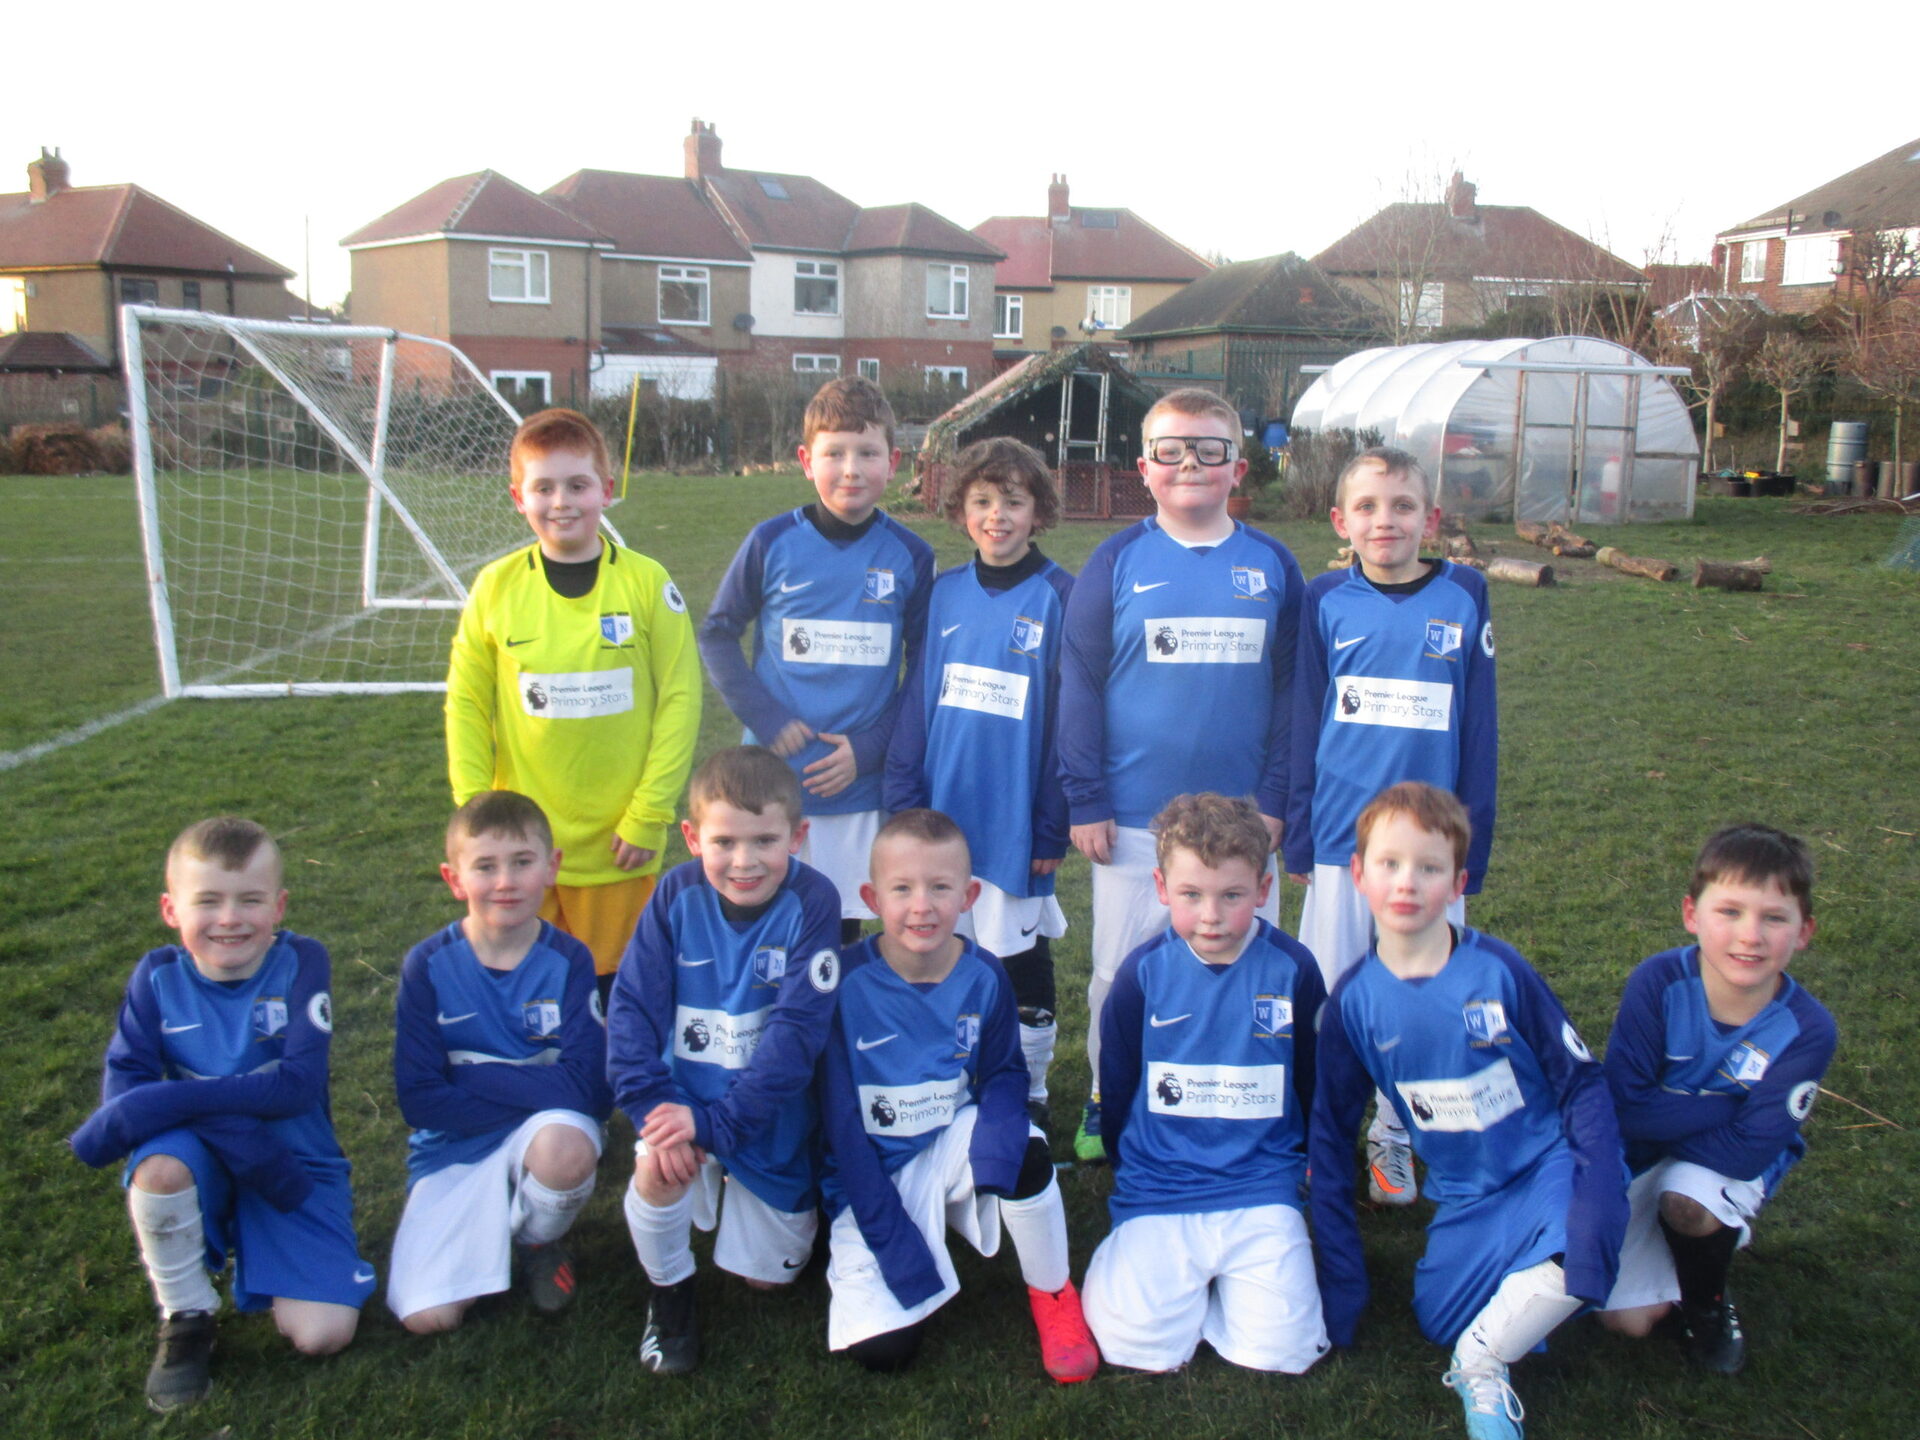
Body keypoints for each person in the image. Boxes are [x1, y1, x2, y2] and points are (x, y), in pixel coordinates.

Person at [1310, 783, 1626, 1440]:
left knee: (1577, 1244)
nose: (1407, 882)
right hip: (1468, 1197)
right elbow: (1329, 1136)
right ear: (1359, 873)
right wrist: (1342, 1285)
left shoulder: (1501, 971)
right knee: (1438, 1314)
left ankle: (1482, 1367)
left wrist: (1595, 1192)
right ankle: (1536, 1289)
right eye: (1390, 864)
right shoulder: (1353, 1003)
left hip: (1545, 1167)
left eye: (1429, 868)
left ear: (1457, 883)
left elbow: (1584, 1086)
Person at [1060, 386, 1304, 1162]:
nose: (1189, 463)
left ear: (1239, 467)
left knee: (1240, 968)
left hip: (1241, 824)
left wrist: (1274, 798)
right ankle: (1109, 1095)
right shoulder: (1116, 560)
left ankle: (1239, 1095)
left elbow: (1295, 691)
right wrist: (1087, 796)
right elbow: (1080, 681)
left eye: (1208, 448)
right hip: (1134, 817)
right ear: (1144, 467)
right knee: (1117, 973)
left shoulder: (1271, 565)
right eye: (1171, 450)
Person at [69, 818, 373, 1412]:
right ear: (171, 909)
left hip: (292, 1161)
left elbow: (294, 1088)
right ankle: (186, 1314)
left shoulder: (304, 962)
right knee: (158, 1169)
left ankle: (268, 1242)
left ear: (279, 906)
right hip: (202, 1156)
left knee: (321, 1335)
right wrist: (211, 1120)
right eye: (207, 901)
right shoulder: (155, 978)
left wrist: (168, 1101)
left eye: (250, 900)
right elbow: (122, 1093)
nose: (229, 919)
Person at [1286, 445, 1498, 1208]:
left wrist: (1477, 833)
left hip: (1431, 851)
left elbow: (1479, 728)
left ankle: (1395, 1135)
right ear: (1342, 521)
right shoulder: (1324, 598)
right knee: (1334, 997)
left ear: (1430, 520)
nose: (1387, 521)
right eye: (1369, 508)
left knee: (1418, 999)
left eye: (1403, 506)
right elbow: (1305, 717)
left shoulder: (1466, 593)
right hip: (1346, 841)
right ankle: (1320, 1133)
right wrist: (1302, 831)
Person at [819, 809, 1098, 1382]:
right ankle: (875, 1249)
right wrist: (894, 1242)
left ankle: (1053, 1293)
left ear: (969, 895)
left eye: (940, 888)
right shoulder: (843, 984)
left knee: (1026, 1148)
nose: (922, 906)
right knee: (884, 1355)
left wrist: (998, 1148)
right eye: (902, 889)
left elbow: (1003, 1075)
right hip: (871, 1168)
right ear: (872, 897)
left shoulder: (984, 973)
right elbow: (839, 1124)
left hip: (948, 1140)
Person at [445, 406, 702, 995]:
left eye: (578, 485)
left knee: (619, 994)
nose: (561, 502)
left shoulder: (645, 582)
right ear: (518, 496)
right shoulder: (495, 587)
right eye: (544, 487)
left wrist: (649, 811)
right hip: (521, 845)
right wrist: (476, 815)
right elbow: (464, 702)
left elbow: (681, 698)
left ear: (606, 492)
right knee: (531, 987)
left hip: (619, 842)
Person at [606, 746, 843, 1376]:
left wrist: (719, 1128)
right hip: (685, 1105)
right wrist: (657, 1108)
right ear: (691, 837)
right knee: (659, 1168)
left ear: (798, 835)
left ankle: (775, 1195)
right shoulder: (673, 896)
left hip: (768, 1115)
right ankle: (671, 1294)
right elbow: (631, 1012)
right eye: (724, 842)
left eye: (765, 840)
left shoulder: (815, 902)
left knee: (767, 1282)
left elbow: (796, 1039)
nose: (744, 862)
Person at [1081, 793, 1329, 1374]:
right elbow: (1118, 1088)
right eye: (1191, 895)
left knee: (1282, 1352)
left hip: (1261, 1183)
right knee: (1135, 1348)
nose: (1211, 915)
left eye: (1231, 896)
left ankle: (1245, 1279)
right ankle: (1156, 1273)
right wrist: (1136, 1163)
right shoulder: (1141, 975)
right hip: (1162, 1185)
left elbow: (1314, 1079)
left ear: (1263, 890)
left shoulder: (1294, 969)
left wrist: (1313, 1159)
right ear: (1162, 888)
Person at [700, 375, 935, 943]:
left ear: (894, 461)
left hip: (856, 782)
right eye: (834, 453)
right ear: (807, 460)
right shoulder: (771, 541)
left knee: (844, 936)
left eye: (867, 453)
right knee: (768, 931)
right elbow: (717, 634)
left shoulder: (910, 554)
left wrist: (872, 748)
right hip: (774, 785)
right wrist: (770, 719)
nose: (850, 469)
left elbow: (926, 667)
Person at [1597, 824, 1835, 1374]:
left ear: (1804, 931)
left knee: (1689, 1202)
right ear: (1691, 915)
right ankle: (1682, 1251)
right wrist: (1728, 1107)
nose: (1750, 935)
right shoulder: (1657, 982)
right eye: (1729, 912)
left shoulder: (1807, 1028)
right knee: (1627, 1324)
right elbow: (1623, 1106)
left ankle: (1707, 1306)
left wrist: (1671, 1117)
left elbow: (1750, 1150)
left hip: (1718, 1165)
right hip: (1648, 1151)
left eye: (1774, 918)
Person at [885, 436, 1074, 1127]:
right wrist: (904, 799)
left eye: (1014, 502)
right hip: (945, 811)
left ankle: (1031, 1085)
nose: (998, 516)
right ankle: (946, 1071)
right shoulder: (943, 593)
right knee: (939, 945)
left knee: (1020, 956)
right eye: (983, 501)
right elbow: (919, 700)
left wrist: (1053, 820)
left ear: (1038, 512)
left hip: (1015, 818)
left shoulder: (1061, 596)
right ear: (961, 509)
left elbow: (1068, 724)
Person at [386, 791, 612, 1332]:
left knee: (564, 1149)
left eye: (522, 862)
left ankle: (538, 1240)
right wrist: (536, 1084)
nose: (505, 881)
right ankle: (495, 1220)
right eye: (485, 867)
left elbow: (591, 1089)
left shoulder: (571, 959)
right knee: (427, 1319)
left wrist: (468, 1076)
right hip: (454, 1145)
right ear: (454, 878)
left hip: (543, 1131)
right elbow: (419, 1100)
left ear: (551, 867)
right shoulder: (427, 965)